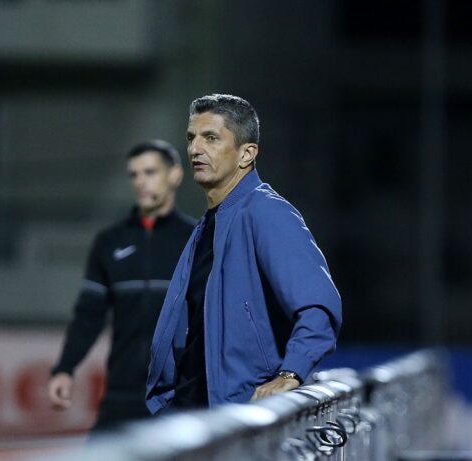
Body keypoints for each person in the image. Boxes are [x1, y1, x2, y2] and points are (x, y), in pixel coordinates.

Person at [146, 94, 342, 412]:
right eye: (192, 137)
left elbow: (319, 307)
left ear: (246, 154)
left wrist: (291, 373)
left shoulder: (266, 212)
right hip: (193, 410)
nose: (195, 149)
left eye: (211, 138)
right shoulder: (207, 225)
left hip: (236, 413)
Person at [48, 140, 196, 432]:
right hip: (122, 393)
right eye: (134, 174)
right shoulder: (110, 241)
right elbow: (89, 315)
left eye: (150, 172)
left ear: (175, 175)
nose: (140, 182)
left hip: (180, 395)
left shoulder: (197, 239)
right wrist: (65, 368)